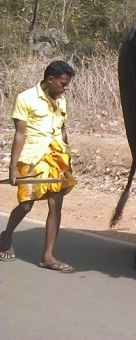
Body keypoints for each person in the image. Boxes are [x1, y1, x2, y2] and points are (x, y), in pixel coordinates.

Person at [0, 60, 77, 272]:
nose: (65, 87)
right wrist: (12, 168)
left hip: (55, 157)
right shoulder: (25, 98)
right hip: (32, 158)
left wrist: (67, 158)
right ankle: (6, 235)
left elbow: (62, 130)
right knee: (26, 205)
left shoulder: (61, 101)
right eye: (62, 83)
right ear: (50, 80)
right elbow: (20, 133)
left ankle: (47, 256)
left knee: (55, 205)